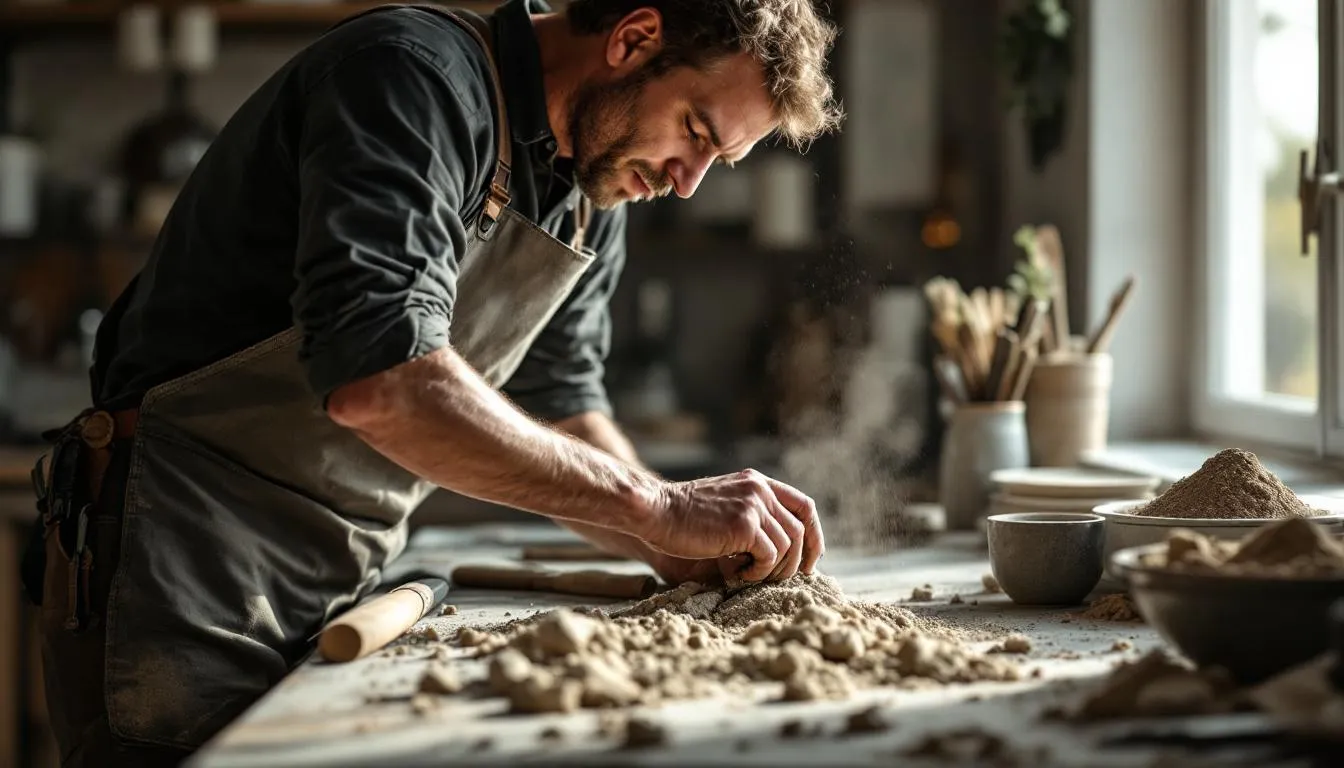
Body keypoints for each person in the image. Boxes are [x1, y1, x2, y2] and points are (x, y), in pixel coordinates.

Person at [23, 0, 842, 764]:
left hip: (346, 571)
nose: (687, 181)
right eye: (695, 131)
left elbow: (562, 406)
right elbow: (381, 378)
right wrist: (658, 507)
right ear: (633, 39)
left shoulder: (593, 190)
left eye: (720, 160)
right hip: (180, 554)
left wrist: (668, 549)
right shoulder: (412, 79)